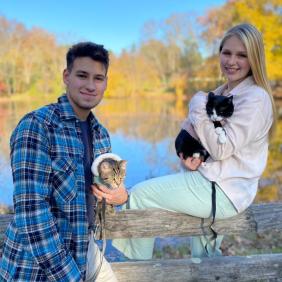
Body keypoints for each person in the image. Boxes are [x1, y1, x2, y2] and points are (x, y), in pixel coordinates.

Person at [112, 23, 276, 260]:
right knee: (204, 258)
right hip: (212, 181)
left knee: (139, 194)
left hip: (224, 190)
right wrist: (191, 160)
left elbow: (221, 148)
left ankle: (139, 271)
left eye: (242, 55)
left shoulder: (256, 98)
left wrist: (197, 106)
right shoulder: (224, 91)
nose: (231, 61)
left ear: (255, 59)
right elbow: (202, 141)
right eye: (226, 52)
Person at [0, 42, 128, 281]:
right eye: (82, 75)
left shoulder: (100, 134)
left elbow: (98, 199)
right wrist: (70, 276)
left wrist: (120, 197)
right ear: (66, 76)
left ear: (105, 83)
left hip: (85, 250)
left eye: (98, 78)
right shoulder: (37, 126)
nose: (91, 85)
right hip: (37, 267)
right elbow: (32, 213)